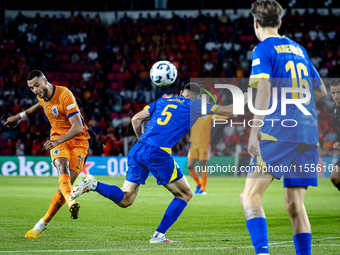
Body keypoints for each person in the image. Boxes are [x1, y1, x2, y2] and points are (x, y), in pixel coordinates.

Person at [71, 83, 245, 243]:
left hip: (138, 148)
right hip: (157, 151)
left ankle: (94, 184)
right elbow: (228, 111)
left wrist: (144, 142)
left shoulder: (162, 101)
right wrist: (245, 99)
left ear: (182, 93)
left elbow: (136, 119)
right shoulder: (195, 105)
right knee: (185, 194)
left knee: (126, 199)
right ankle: (158, 235)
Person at [239, 1, 327, 255]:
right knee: (295, 204)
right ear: (280, 23)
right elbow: (320, 91)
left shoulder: (263, 49)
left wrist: (254, 131)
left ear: (255, 22)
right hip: (308, 133)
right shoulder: (299, 50)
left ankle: (263, 253)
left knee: (250, 196)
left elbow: (264, 91)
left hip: (279, 132)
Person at [5, 70, 93, 238]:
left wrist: (57, 142)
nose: (35, 90)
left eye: (37, 85)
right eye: (31, 88)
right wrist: (18, 116)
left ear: (45, 80)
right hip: (58, 137)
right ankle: (71, 202)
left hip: (79, 140)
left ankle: (42, 223)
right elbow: (38, 107)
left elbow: (77, 127)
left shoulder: (64, 94)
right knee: (62, 167)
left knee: (63, 191)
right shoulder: (42, 96)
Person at [188, 114, 230, 195]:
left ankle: (203, 189)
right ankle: (198, 184)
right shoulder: (193, 113)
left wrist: (230, 114)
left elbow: (219, 117)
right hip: (193, 142)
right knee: (190, 166)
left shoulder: (210, 115)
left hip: (204, 143)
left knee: (203, 165)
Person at [329, 79, 340, 191]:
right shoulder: (335, 108)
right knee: (335, 178)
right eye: (333, 93)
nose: (336, 96)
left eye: (339, 92)